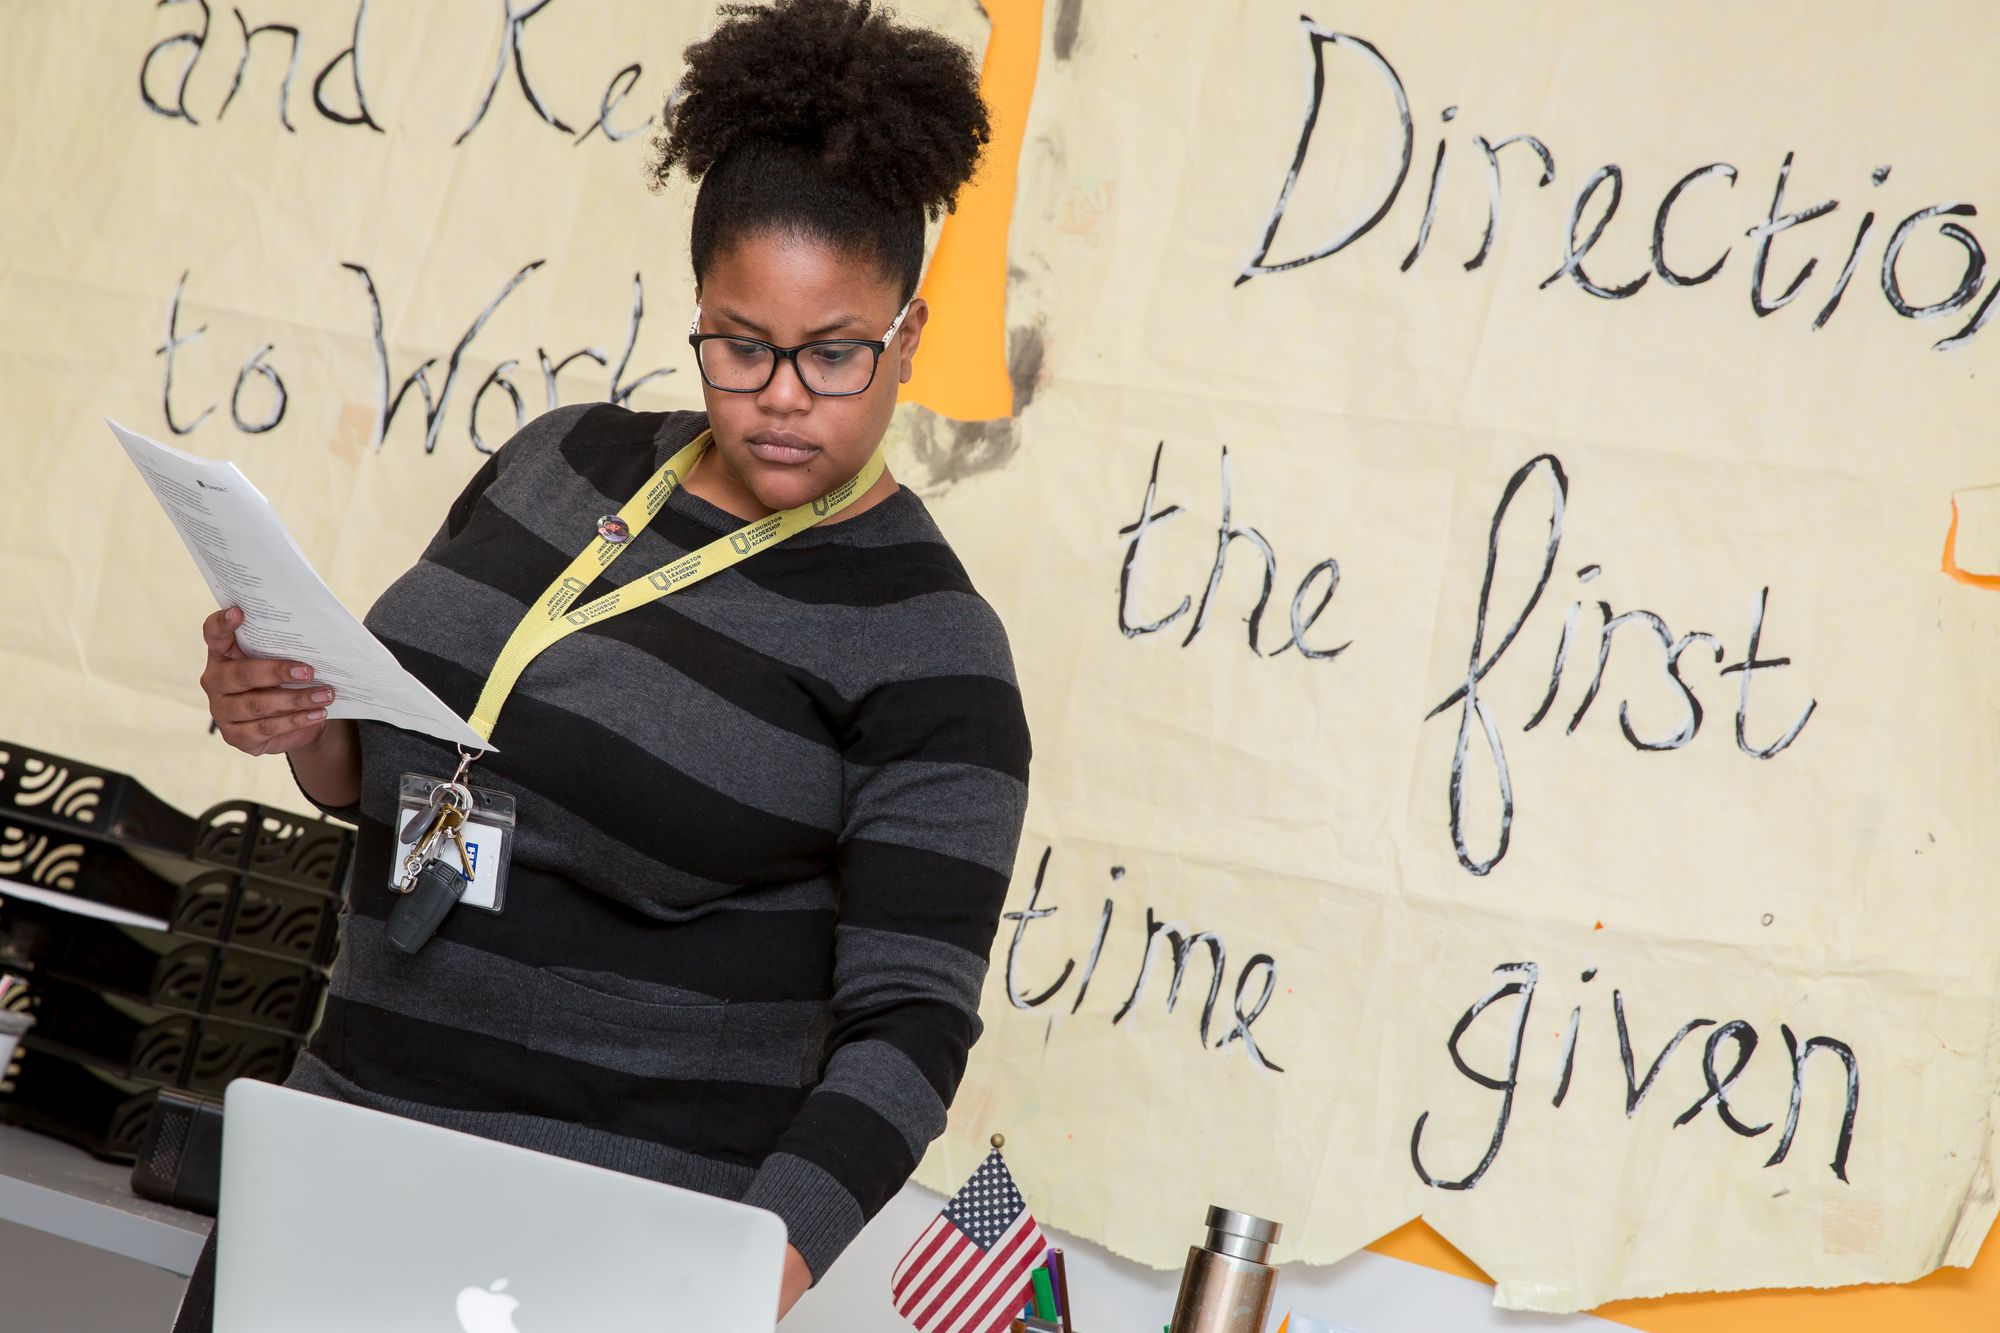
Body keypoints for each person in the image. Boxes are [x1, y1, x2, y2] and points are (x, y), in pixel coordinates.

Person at [174, 0, 1024, 1325]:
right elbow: (395, 765)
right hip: (340, 1156)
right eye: (744, 343)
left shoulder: (933, 649)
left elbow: (912, 1024)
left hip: (583, 1260)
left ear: (906, 338)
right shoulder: (561, 459)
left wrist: (742, 1271)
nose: (785, 392)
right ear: (699, 313)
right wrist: (298, 719)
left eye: (837, 352)